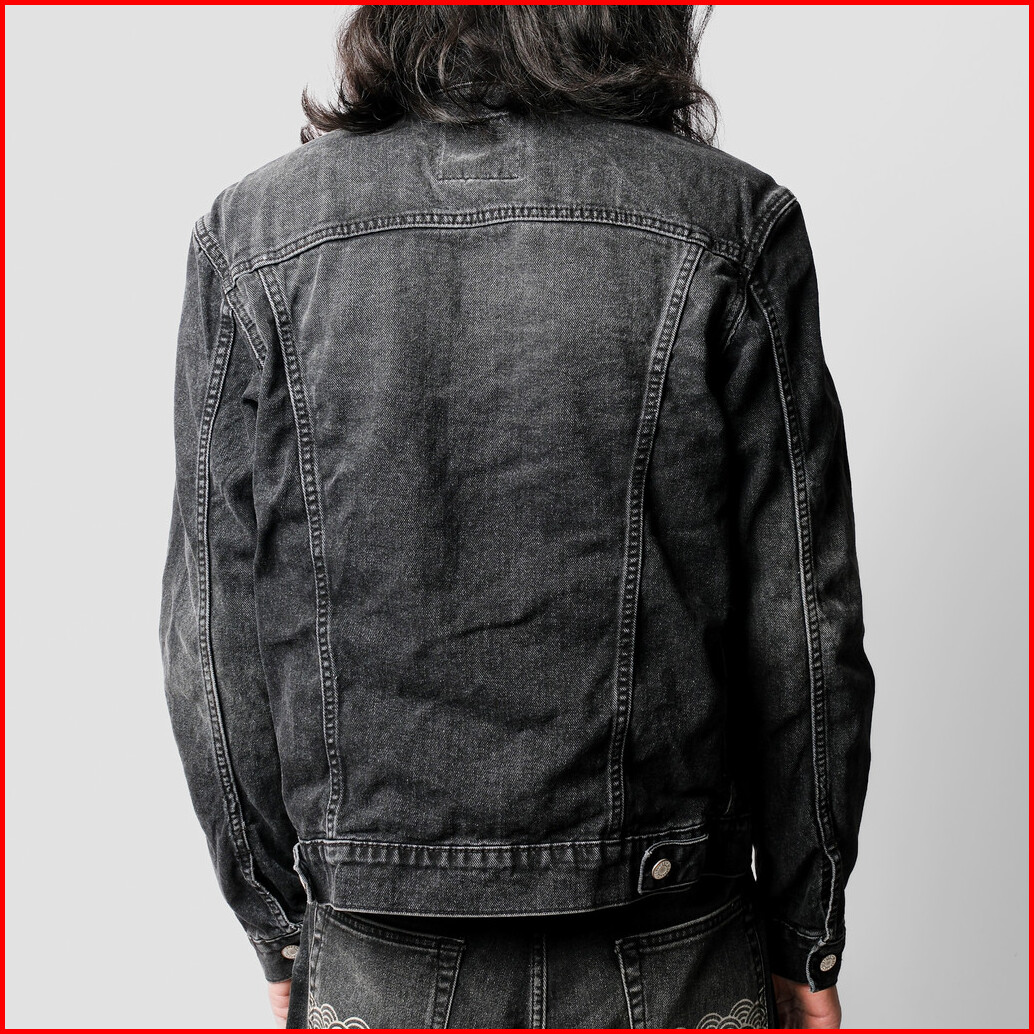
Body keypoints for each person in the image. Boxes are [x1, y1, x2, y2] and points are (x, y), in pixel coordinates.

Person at [158, 6, 875, 1029]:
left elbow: (211, 638)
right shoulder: (729, 222)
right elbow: (805, 626)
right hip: (671, 926)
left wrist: (274, 919)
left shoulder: (254, 237)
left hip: (378, 939)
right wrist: (806, 928)